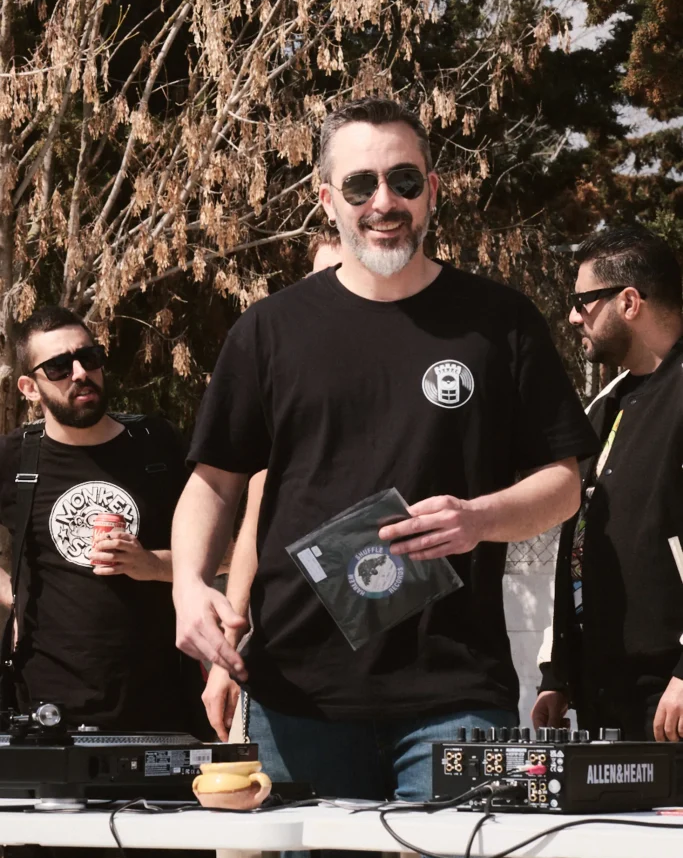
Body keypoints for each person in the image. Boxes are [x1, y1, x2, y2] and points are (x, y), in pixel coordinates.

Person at [172, 96, 598, 817]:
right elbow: (213, 482)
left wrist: (479, 518)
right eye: (360, 184)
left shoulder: (498, 323)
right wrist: (186, 584)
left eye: (404, 180)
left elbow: (564, 483)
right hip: (296, 696)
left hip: (455, 693)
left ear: (432, 190)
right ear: (325, 199)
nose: (384, 202)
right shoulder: (269, 330)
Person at [0, 306, 218, 735]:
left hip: (162, 706)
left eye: (90, 357)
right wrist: (14, 594)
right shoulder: (14, 458)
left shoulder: (158, 446)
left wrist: (153, 565)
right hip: (46, 710)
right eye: (59, 367)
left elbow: (227, 554)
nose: (80, 372)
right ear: (29, 387)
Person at [532, 225, 683, 743]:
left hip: (670, 694)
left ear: (630, 301)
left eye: (583, 301)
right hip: (604, 689)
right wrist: (559, 673)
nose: (573, 316)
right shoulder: (603, 408)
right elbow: (577, 540)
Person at [202, 231, 343, 741]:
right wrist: (227, 657)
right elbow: (255, 515)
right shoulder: (284, 370)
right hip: (297, 680)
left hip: (421, 676)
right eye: (320, 278)